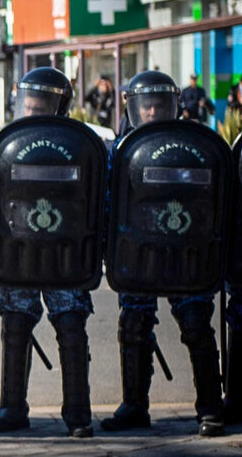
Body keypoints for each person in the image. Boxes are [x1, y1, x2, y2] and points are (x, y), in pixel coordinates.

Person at [100, 70, 225, 437]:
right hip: (139, 251)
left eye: (159, 105)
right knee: (134, 324)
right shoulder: (122, 150)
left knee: (196, 323)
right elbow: (109, 200)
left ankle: (210, 407)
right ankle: (134, 406)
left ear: (173, 106)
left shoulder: (196, 145)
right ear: (133, 108)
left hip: (185, 249)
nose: (152, 113)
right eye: (146, 106)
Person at [0, 67, 94, 438]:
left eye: (40, 104)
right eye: (27, 104)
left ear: (58, 105)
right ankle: (12, 409)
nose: (31, 110)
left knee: (71, 325)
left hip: (65, 253)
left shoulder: (81, 143)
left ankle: (78, 413)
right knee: (15, 326)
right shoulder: (8, 140)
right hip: (20, 251)